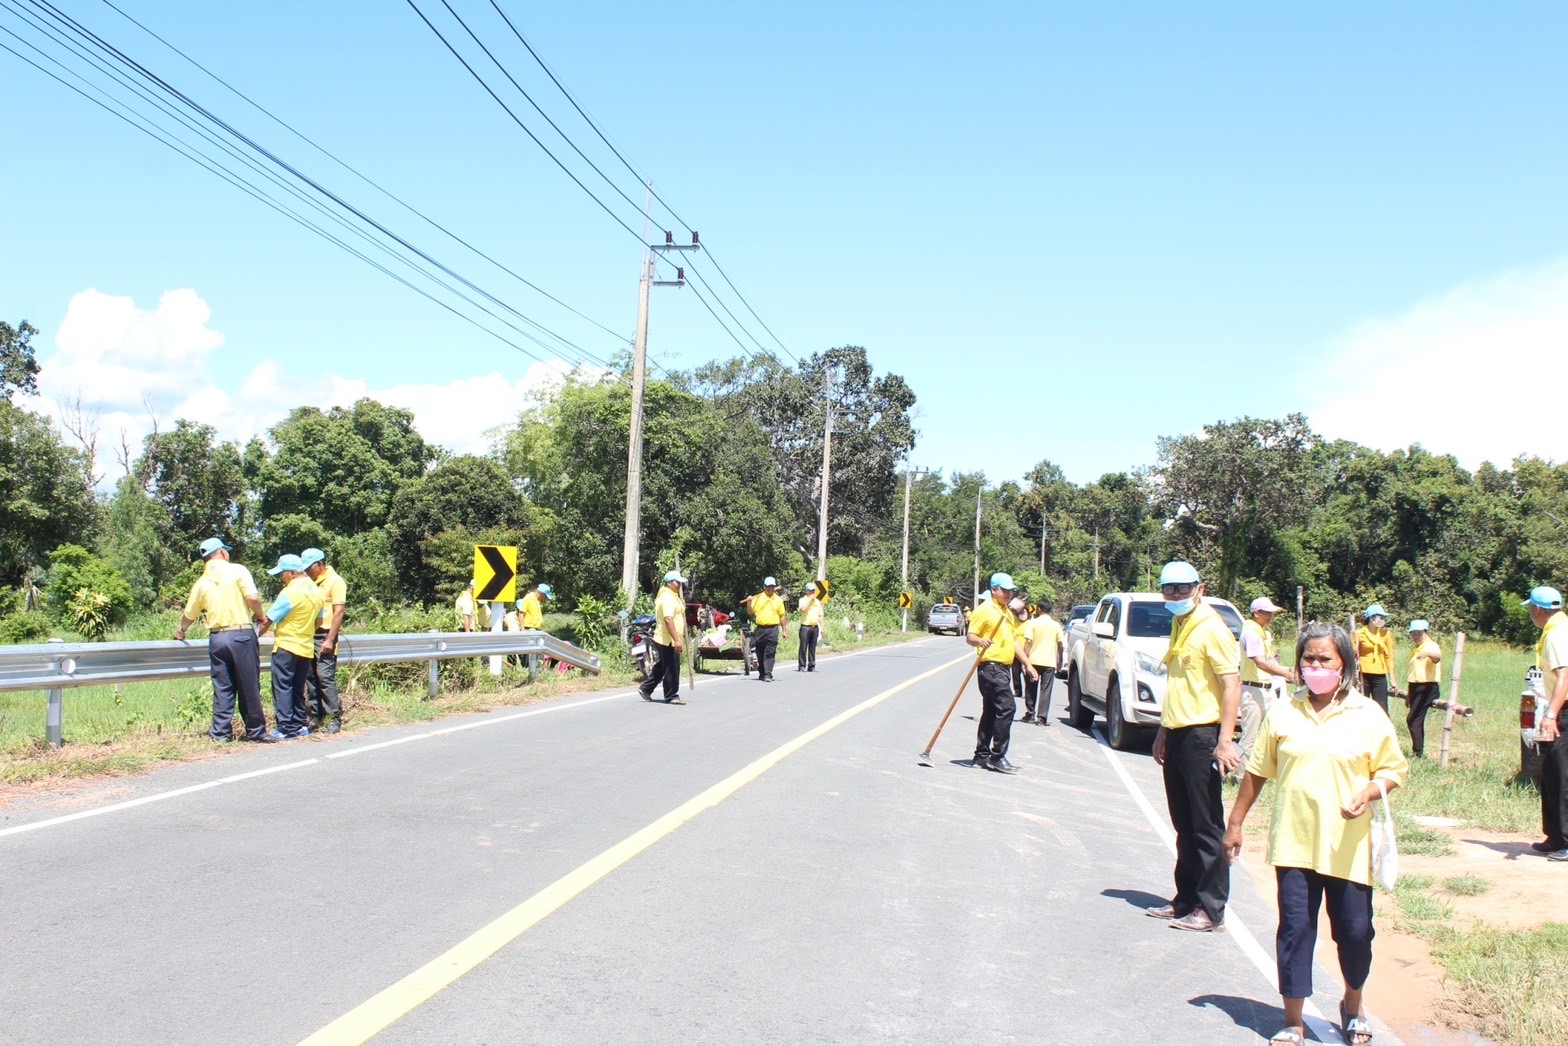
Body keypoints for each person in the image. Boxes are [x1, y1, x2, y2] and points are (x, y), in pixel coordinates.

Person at [1224, 621, 1408, 1046]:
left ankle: (1352, 1004)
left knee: (1356, 932)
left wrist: (1370, 790)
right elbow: (1257, 773)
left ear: (1344, 664)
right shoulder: (1285, 712)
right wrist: (1234, 824)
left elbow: (1393, 768)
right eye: (1309, 658)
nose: (1317, 665)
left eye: (1326, 659)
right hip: (1295, 842)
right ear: (1299, 664)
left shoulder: (1368, 714)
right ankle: (1294, 1020)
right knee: (1295, 929)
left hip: (1349, 846)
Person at [1147, 560, 1242, 933]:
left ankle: (1211, 907)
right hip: (1178, 732)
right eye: (1168, 590)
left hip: (1203, 735)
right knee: (1183, 824)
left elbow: (1231, 685)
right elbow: (1179, 686)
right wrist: (1162, 732)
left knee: (1206, 827)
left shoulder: (1212, 629)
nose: (1174, 596)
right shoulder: (1180, 623)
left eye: (1182, 589)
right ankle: (1185, 898)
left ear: (1199, 589)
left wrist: (1224, 740)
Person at [174, 537, 275, 744]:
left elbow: (189, 614)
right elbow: (253, 597)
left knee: (223, 686)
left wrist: (181, 631)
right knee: (248, 684)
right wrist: (260, 616)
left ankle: (221, 733)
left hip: (217, 638)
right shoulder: (237, 570)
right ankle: (256, 730)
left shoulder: (202, 582)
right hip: (240, 634)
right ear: (221, 552)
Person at [965, 573, 1038, 774]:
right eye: (1004, 590)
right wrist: (980, 641)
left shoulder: (1005, 611)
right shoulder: (985, 610)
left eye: (1010, 591)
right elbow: (970, 636)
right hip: (991, 668)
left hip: (1003, 668)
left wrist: (1027, 664)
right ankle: (997, 757)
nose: (1008, 594)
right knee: (1007, 709)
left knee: (991, 711)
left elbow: (1014, 641)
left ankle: (981, 755)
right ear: (994, 589)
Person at [257, 554, 325, 740]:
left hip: (287, 646)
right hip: (306, 647)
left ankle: (286, 727)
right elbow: (319, 621)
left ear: (293, 573)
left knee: (282, 687)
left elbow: (267, 621)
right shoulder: (316, 591)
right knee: (297, 687)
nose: (281, 578)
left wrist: (252, 637)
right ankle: (300, 724)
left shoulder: (289, 593)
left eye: (282, 574)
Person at [1523, 586, 1568, 861]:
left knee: (1563, 774)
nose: (1530, 613)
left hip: (1563, 709)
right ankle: (1554, 835)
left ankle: (1566, 839)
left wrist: (1551, 715)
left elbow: (1564, 677)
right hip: (1559, 706)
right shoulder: (1560, 628)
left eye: (1530, 609)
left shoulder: (1556, 636)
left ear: (1538, 610)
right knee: (1551, 770)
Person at [1237, 596, 1298, 764]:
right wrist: (1287, 674)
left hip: (1266, 689)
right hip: (1252, 690)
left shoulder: (1262, 633)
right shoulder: (1251, 633)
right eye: (1267, 613)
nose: (1271, 616)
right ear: (1257, 613)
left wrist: (1290, 671)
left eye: (1272, 613)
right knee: (1249, 737)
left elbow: (1270, 660)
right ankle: (1239, 774)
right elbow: (1261, 662)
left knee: (1275, 730)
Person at [300, 547, 345, 734]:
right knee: (309, 677)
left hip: (325, 634)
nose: (308, 571)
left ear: (320, 564)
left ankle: (333, 718)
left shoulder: (335, 581)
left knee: (325, 677)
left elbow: (339, 612)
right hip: (309, 633)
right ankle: (314, 717)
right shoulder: (310, 583)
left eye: (310, 567)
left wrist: (330, 639)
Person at [639, 570, 687, 705]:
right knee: (672, 667)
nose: (680, 585)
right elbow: (668, 619)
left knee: (662, 666)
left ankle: (646, 688)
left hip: (666, 638)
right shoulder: (667, 598)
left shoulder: (672, 596)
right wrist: (676, 640)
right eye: (677, 582)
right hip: (668, 639)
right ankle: (671, 695)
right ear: (669, 583)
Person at [1020, 599, 1064, 725]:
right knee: (1046, 689)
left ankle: (1030, 714)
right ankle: (1042, 717)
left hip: (1033, 660)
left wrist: (1025, 659)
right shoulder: (1056, 625)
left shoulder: (1033, 623)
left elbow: (1028, 642)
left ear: (1039, 609)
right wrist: (1060, 659)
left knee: (1030, 688)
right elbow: (1060, 644)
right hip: (1049, 662)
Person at [1404, 620, 1442, 758]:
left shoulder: (1431, 645)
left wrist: (1428, 654)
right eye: (1413, 633)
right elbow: (1412, 673)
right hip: (1415, 687)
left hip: (1427, 688)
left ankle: (1418, 753)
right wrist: (1409, 694)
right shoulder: (1416, 648)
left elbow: (1437, 657)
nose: (1415, 636)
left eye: (1419, 633)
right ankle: (1418, 751)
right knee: (1415, 721)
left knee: (1413, 720)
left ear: (1427, 633)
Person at [742, 577, 788, 682]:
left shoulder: (778, 600)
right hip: (760, 629)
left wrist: (784, 630)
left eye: (772, 586)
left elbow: (782, 616)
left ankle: (768, 674)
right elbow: (750, 612)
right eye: (768, 587)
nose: (770, 589)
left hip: (773, 629)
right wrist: (749, 602)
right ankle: (762, 672)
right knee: (760, 652)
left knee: (770, 651)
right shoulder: (758, 598)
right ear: (764, 587)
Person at [1353, 604, 1397, 716]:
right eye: (1381, 617)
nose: (1383, 620)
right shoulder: (1359, 633)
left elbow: (1389, 657)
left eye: (1384, 618)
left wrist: (1392, 679)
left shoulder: (1386, 634)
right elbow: (1353, 653)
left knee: (1382, 708)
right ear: (1372, 618)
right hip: (1363, 675)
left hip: (1379, 674)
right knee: (1362, 707)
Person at [797, 589, 824, 672]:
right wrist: (809, 600)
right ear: (807, 591)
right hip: (805, 627)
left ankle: (811, 665)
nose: (813, 593)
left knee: (812, 647)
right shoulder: (803, 600)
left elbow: (820, 615)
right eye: (811, 591)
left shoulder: (817, 602)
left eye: (813, 591)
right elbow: (803, 609)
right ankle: (802, 665)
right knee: (803, 647)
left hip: (815, 627)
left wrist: (822, 627)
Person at [1008, 597, 1029, 699]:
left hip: (1025, 652)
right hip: (1015, 652)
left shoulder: (1029, 624)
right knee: (1015, 673)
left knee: (1026, 673)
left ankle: (1027, 691)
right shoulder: (1015, 623)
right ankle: (1017, 691)